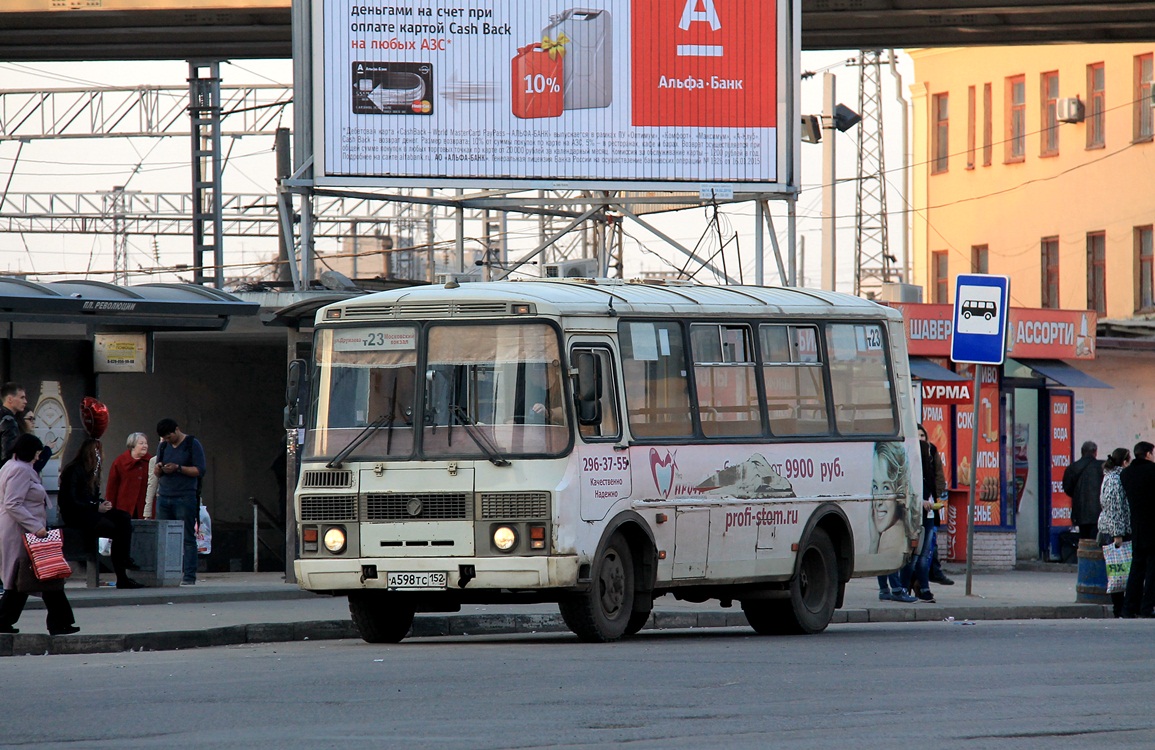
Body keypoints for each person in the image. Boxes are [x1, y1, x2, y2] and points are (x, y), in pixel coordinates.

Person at [0, 433, 79, 635]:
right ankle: (59, 621)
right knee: (39, 575)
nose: (38, 458)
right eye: (36, 453)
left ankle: (58, 621)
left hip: (19, 531)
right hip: (23, 532)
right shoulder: (21, 470)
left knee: (33, 576)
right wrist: (36, 526)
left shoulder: (13, 466)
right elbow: (12, 503)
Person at [57, 438, 144, 590]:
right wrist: (96, 506)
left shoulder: (93, 471)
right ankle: (122, 572)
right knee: (115, 529)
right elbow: (71, 500)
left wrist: (102, 504)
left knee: (123, 517)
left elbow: (92, 497)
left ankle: (124, 561)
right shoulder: (74, 469)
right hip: (76, 514)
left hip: (89, 510)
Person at [154, 418, 206, 586]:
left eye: (169, 437)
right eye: (165, 439)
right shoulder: (163, 447)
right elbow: (156, 472)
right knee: (163, 538)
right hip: (164, 494)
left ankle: (189, 576)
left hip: (185, 496)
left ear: (177, 430)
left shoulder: (192, 444)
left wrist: (178, 468)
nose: (168, 441)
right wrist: (159, 469)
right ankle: (165, 574)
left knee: (187, 537)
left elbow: (199, 470)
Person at [872, 440, 917, 603]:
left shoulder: (891, 524)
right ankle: (896, 589)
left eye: (886, 487)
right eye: (875, 487)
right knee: (890, 554)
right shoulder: (893, 528)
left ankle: (885, 589)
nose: (878, 500)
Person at [901, 425, 942, 603]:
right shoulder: (910, 465)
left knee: (925, 555)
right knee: (913, 556)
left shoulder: (929, 465)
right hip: (915, 513)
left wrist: (935, 500)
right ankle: (903, 588)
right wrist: (921, 501)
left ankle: (923, 588)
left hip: (929, 515)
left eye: (923, 437)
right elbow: (907, 488)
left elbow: (937, 483)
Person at [1119, 440, 1155, 618]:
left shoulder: (1126, 474)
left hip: (1137, 526)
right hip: (1153, 527)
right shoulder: (1153, 472)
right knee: (1152, 570)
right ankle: (1147, 607)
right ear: (1148, 454)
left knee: (1136, 568)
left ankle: (1129, 607)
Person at [1097, 447, 1131, 618]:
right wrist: (1118, 535)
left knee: (1119, 569)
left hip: (1111, 529)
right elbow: (1115, 508)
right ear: (1124, 462)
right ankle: (1119, 608)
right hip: (1115, 532)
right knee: (1118, 570)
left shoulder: (1110, 477)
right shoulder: (1116, 479)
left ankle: (1121, 607)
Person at [1064, 440, 1104, 541]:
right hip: (1099, 512)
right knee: (1097, 542)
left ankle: (1085, 557)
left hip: (1080, 512)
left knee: (1084, 542)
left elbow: (1067, 489)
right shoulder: (1103, 467)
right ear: (1095, 452)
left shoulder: (1072, 468)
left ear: (1082, 451)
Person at [105, 432, 151, 518]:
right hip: (124, 506)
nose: (145, 446)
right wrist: (110, 507)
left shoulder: (151, 462)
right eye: (141, 443)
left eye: (146, 443)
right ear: (132, 446)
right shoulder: (120, 462)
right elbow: (112, 487)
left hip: (144, 508)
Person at [0, 382, 27, 466]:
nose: (25, 401)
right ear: (10, 399)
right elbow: (8, 454)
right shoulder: (8, 421)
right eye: (22, 397)